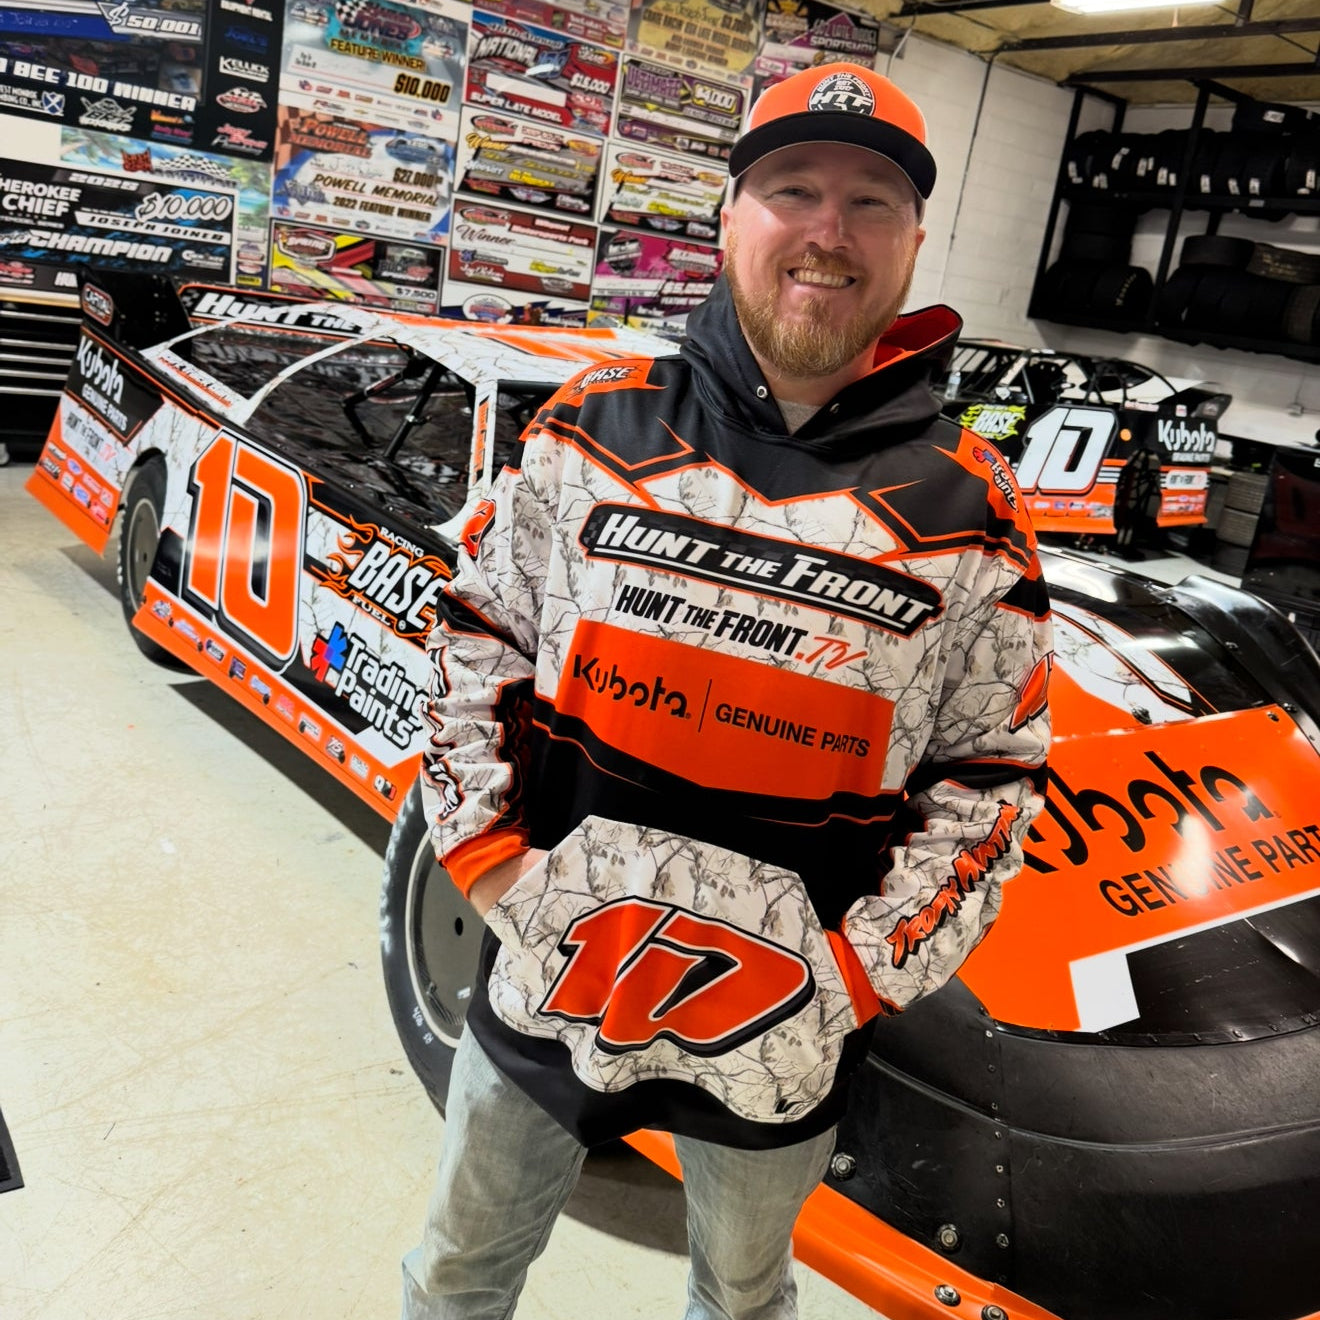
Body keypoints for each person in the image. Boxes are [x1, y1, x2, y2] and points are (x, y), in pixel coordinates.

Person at [403, 61, 1053, 1320]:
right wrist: (489, 867)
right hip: (548, 979)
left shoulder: (973, 506)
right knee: (457, 1277)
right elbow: (473, 643)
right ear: (728, 220)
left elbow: (993, 778)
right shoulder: (591, 426)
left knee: (743, 1302)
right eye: (792, 189)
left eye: (871, 201)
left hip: (785, 1029)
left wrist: (855, 974)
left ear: (915, 241)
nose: (828, 231)